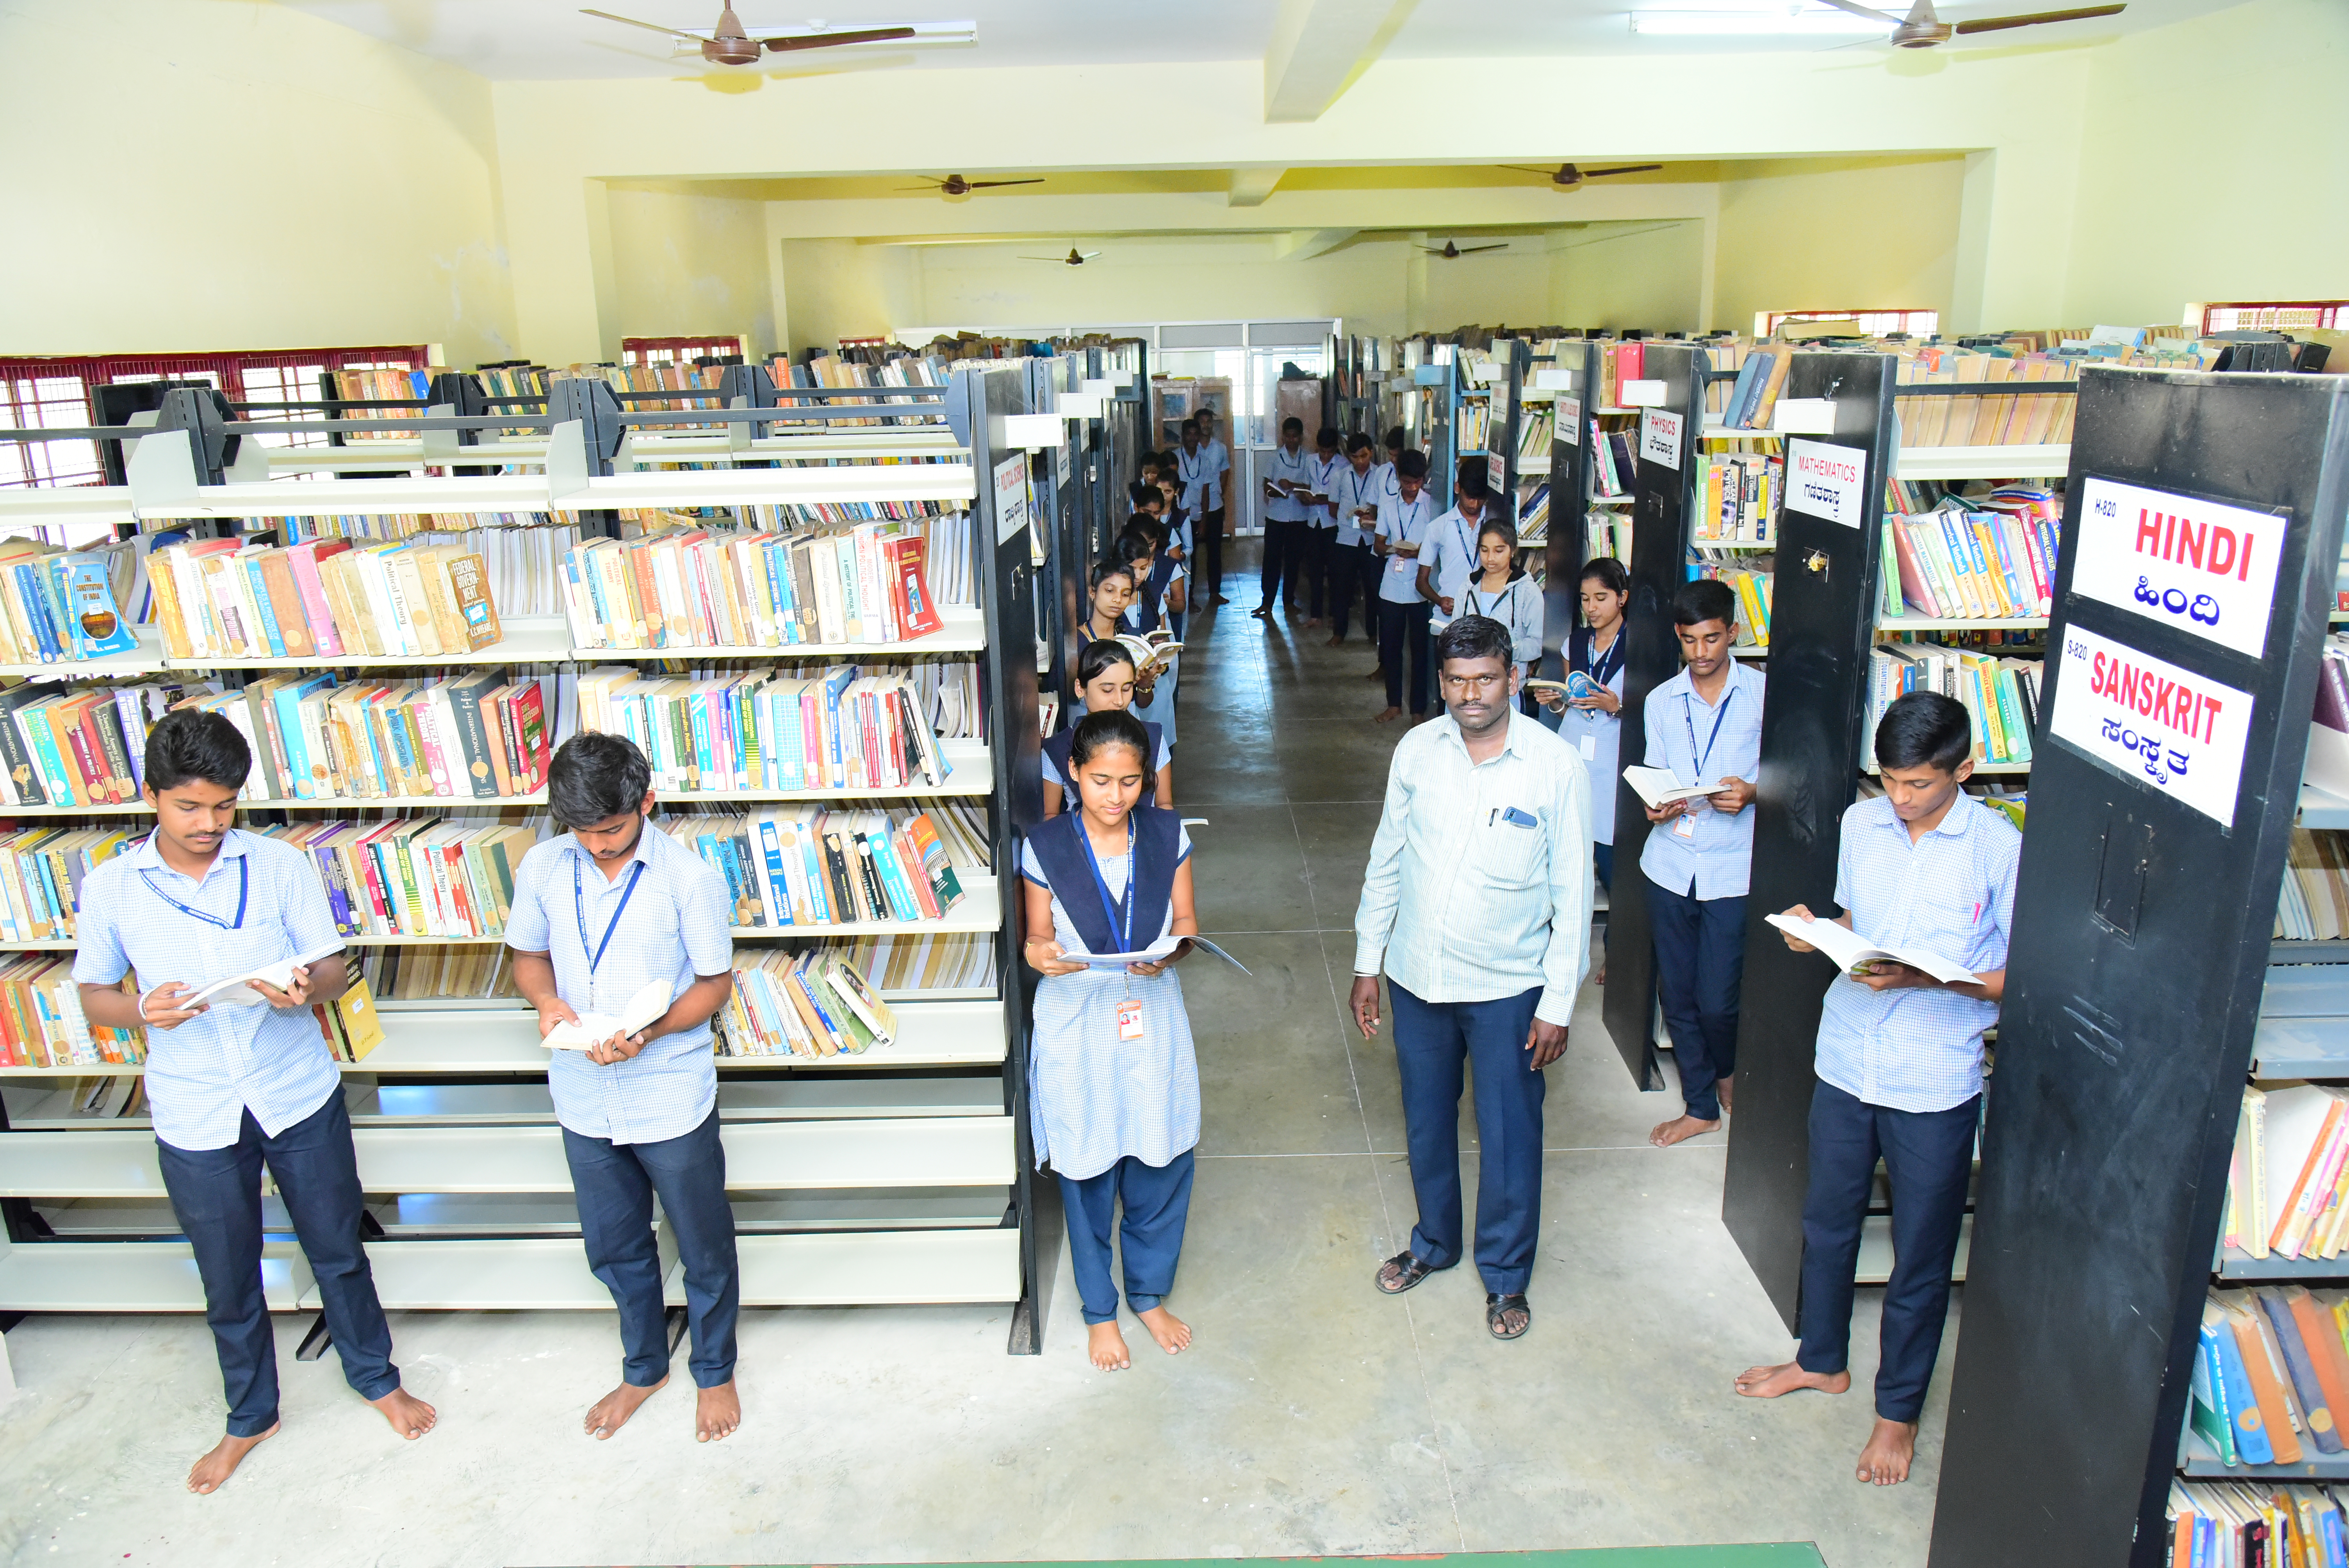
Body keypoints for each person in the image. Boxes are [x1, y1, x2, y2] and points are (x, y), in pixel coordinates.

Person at [72, 708, 436, 1495]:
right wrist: (142, 1012)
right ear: (152, 796)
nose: (209, 824)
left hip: (295, 1091)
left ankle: (376, 1379)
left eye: (225, 805)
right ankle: (250, 1415)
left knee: (337, 1247)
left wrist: (303, 988)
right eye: (189, 807)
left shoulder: (277, 866)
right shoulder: (111, 887)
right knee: (227, 1273)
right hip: (194, 1105)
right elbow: (95, 994)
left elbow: (334, 970)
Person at [1737, 691, 2017, 1489]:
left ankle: (1895, 1414)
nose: (1899, 799)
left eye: (1918, 785)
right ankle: (1820, 1360)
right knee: (1825, 1223)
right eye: (1888, 780)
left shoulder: (1997, 849)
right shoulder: (1861, 825)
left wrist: (1932, 979)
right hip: (1846, 1056)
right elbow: (1855, 921)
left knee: (1919, 1259)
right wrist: (1815, 933)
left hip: (1933, 1078)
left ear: (1963, 770)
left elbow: (2015, 977)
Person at [1350, 615, 1592, 1341]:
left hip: (1507, 988)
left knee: (1509, 1132)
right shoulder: (1417, 751)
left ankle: (1507, 1275)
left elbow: (1573, 896)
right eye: (1455, 681)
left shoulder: (1554, 767)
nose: (1470, 695)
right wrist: (1369, 961)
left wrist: (1557, 1003)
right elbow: (1386, 858)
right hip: (1417, 979)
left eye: (1485, 679)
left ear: (1512, 678)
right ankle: (1436, 1242)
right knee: (1426, 1123)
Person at [506, 732, 742, 1444]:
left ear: (646, 802)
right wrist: (546, 1004)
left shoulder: (687, 878)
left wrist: (652, 1031)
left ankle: (715, 1369)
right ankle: (643, 1367)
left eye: (611, 829)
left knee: (701, 1243)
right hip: (582, 1092)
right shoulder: (545, 867)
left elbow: (715, 984)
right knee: (613, 1245)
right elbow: (528, 958)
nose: (598, 844)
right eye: (582, 831)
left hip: (668, 1088)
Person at [1021, 709, 1203, 1371]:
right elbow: (1036, 936)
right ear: (1073, 773)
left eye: (1130, 782)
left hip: (1149, 1012)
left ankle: (1148, 1294)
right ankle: (1100, 1311)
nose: (1115, 797)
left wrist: (1171, 953)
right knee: (1088, 1158)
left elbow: (1185, 921)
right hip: (1077, 1016)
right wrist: (1040, 954)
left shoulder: (1165, 832)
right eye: (1100, 780)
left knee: (1159, 1151)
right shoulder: (1045, 844)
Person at [1640, 578, 1765, 1149]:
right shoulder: (1662, 702)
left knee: (1719, 998)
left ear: (1732, 634)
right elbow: (1657, 775)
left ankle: (1728, 1069)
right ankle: (1700, 1107)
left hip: (1732, 868)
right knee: (1679, 993)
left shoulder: (1766, 697)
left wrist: (1756, 793)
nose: (1701, 654)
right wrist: (1657, 804)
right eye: (1689, 642)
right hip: (1670, 864)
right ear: (1678, 638)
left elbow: (1796, 781)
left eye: (1712, 640)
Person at [1537, 557, 1631, 894]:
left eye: (1601, 598)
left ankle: (1617, 937)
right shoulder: (1575, 643)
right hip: (1575, 746)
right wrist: (1557, 701)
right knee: (1567, 841)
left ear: (1622, 598)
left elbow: (1653, 714)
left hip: (1613, 755)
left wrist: (1616, 706)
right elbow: (1574, 708)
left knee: (1609, 846)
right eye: (1585, 599)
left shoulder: (1637, 645)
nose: (1591, 608)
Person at [1045, 638, 1174, 816]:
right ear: (1080, 689)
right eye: (1107, 690)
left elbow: (1165, 805)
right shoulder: (1058, 748)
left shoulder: (1154, 738)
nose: (1120, 701)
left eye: (1127, 689)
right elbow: (1051, 818)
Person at [1373, 450, 1436, 724]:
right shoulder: (1388, 506)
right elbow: (1378, 545)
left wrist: (1420, 551)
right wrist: (1393, 550)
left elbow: (1437, 545)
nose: (1413, 487)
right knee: (1392, 647)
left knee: (1421, 651)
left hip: (1421, 588)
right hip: (1391, 586)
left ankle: (1418, 709)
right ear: (1399, 479)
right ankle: (1393, 704)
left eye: (1418, 482)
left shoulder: (1431, 505)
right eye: (1408, 482)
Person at [1462, 518, 1543, 686]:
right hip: (1468, 680)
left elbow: (1537, 644)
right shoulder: (1468, 586)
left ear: (1513, 551)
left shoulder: (1527, 591)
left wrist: (1503, 649)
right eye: (1484, 550)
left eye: (1499, 551)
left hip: (1506, 684)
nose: (1490, 558)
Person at [1323, 432, 1383, 648]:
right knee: (1341, 588)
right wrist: (1350, 516)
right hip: (1346, 538)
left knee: (1372, 588)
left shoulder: (1380, 475)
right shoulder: (1340, 476)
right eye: (1355, 457)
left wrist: (1371, 516)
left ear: (1372, 453)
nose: (1360, 462)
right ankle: (1340, 632)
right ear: (1349, 456)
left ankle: (1373, 633)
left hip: (1370, 539)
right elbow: (1332, 507)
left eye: (1364, 456)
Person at [1417, 469, 1491, 637]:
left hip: (1486, 618)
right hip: (1448, 621)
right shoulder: (1438, 527)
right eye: (1470, 498)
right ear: (1458, 488)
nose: (1475, 504)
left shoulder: (1493, 525)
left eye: (1480, 499)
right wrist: (1440, 601)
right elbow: (1421, 582)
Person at [1257, 415, 1311, 622]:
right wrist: (1278, 490)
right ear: (1283, 437)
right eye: (1288, 437)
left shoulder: (1308, 458)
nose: (1291, 440)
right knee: (1271, 560)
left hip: (1299, 517)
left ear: (1300, 437)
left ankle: (1289, 601)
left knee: (1293, 561)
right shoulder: (1275, 457)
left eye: (1295, 437)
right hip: (1276, 516)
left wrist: (1294, 486)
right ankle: (1267, 601)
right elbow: (1267, 485)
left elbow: (1311, 486)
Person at [1299, 424, 1346, 629]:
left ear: (1336, 448)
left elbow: (1345, 496)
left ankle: (1336, 613)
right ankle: (1315, 615)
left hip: (1333, 522)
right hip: (1313, 521)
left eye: (1330, 452)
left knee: (1336, 572)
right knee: (1315, 570)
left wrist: (1324, 499)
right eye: (1322, 451)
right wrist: (1305, 497)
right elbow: (1303, 487)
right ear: (1317, 447)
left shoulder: (1343, 465)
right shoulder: (1310, 461)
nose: (1326, 456)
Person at [1192, 410, 1232, 605]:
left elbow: (1225, 472)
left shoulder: (1220, 448)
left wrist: (1219, 492)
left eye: (1209, 421)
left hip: (1215, 505)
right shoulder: (1192, 448)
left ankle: (1215, 592)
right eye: (1202, 422)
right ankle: (1189, 597)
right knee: (1191, 553)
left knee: (1215, 552)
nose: (1206, 425)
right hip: (1193, 508)